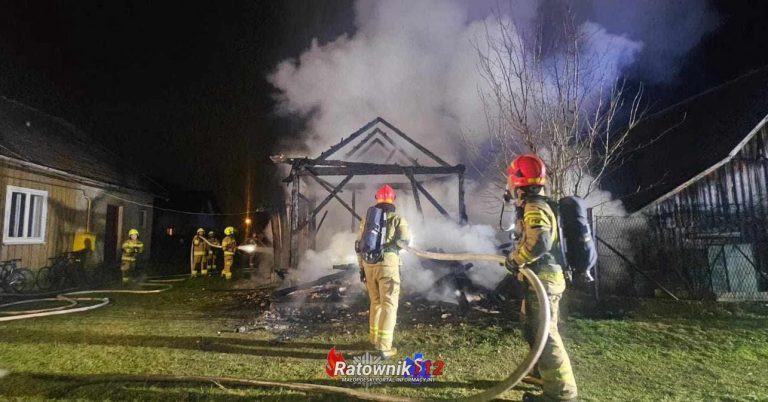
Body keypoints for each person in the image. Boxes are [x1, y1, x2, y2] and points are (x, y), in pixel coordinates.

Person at [503, 154, 578, 402]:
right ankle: (540, 372)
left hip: (544, 279)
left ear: (517, 181)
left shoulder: (534, 207)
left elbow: (540, 243)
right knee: (531, 326)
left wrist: (516, 259)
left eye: (510, 180)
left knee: (545, 334)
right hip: (540, 278)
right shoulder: (534, 205)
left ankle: (561, 393)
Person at [355, 184, 410, 359]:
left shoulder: (366, 221)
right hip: (388, 266)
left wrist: (361, 268)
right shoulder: (397, 218)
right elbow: (405, 241)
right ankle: (385, 347)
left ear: (377, 199)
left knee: (375, 302)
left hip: (369, 265)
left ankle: (374, 339)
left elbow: (359, 246)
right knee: (389, 305)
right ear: (393, 200)